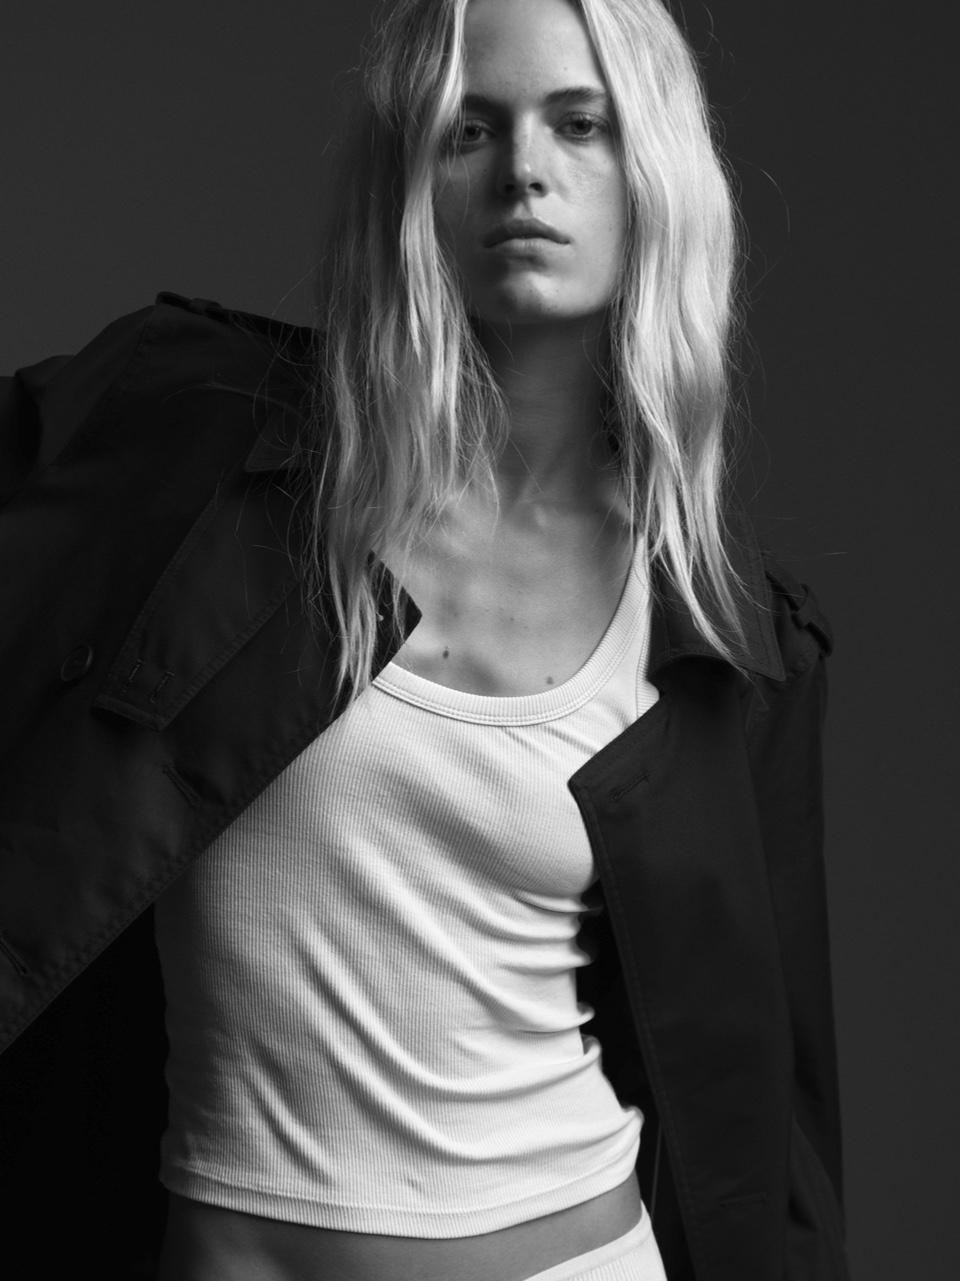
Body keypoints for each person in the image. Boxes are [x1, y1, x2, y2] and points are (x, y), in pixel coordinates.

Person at [0, 1, 850, 1278]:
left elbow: (774, 1132)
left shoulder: (722, 640)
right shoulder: (195, 446)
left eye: (581, 124)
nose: (525, 171)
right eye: (469, 129)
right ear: (406, 177)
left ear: (654, 177)